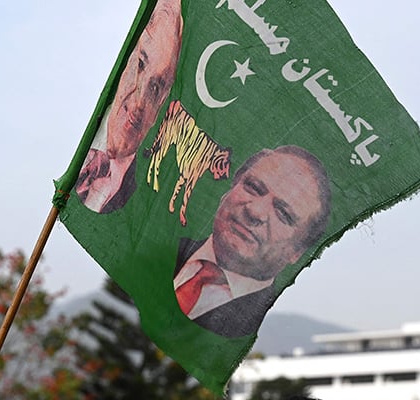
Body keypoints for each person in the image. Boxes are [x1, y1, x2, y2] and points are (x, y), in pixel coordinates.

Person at [174, 145, 331, 337]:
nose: (255, 211)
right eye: (253, 188)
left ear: (297, 252)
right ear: (230, 189)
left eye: (283, 213)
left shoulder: (266, 330)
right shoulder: (156, 245)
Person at [75, 0, 183, 213]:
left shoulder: (142, 191)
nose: (140, 100)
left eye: (156, 87)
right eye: (141, 65)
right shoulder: (84, 160)